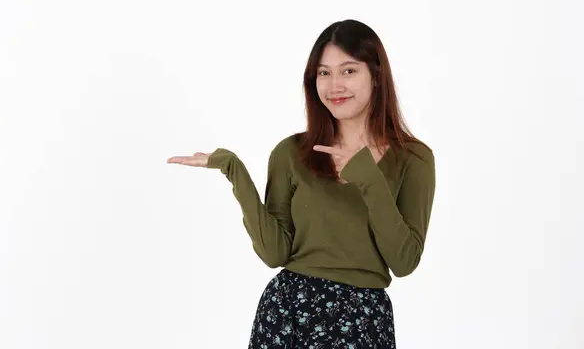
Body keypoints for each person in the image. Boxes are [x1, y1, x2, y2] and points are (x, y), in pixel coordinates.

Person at [167, 19, 436, 348]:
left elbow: (404, 261)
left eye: (348, 71)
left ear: (377, 75)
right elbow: (274, 252)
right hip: (288, 313)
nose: (334, 85)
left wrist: (367, 176)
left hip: (362, 321)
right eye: (324, 73)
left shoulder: (414, 159)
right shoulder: (291, 153)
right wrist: (234, 170)